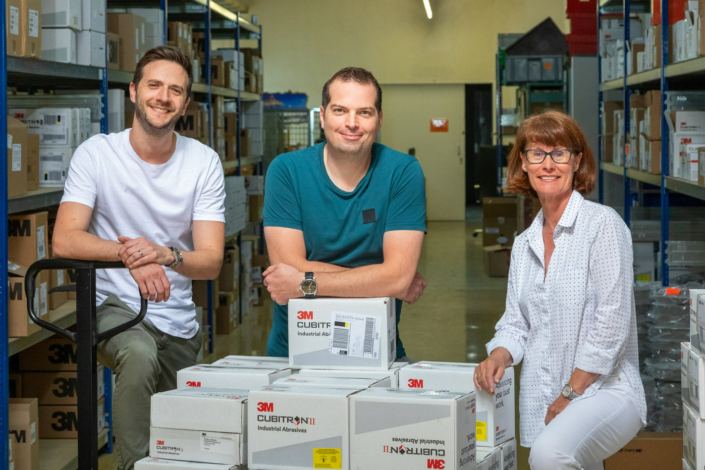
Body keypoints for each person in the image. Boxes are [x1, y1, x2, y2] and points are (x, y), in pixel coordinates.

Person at [52, 46, 225, 470]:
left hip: (176, 316)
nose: (163, 97)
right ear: (132, 91)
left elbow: (211, 261)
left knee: (182, 443)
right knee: (138, 354)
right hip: (113, 306)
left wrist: (164, 255)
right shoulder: (97, 154)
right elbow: (64, 240)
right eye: (154, 85)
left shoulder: (203, 162)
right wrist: (132, 256)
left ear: (185, 104)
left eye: (175, 90)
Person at [473, 111, 646, 470]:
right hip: (548, 395)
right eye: (536, 153)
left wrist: (571, 392)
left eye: (559, 153)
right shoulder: (524, 245)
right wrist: (498, 356)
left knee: (550, 454)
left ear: (577, 160)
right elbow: (515, 324)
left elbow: (611, 324)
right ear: (523, 162)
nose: (547, 164)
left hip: (609, 390)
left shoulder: (602, 226)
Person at [262, 67, 427, 361]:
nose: (351, 124)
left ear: (379, 120)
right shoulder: (286, 170)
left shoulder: (402, 171)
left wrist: (304, 283)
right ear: (323, 115)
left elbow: (398, 278)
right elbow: (286, 265)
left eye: (364, 112)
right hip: (294, 351)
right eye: (340, 110)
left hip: (375, 349)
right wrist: (385, 280)